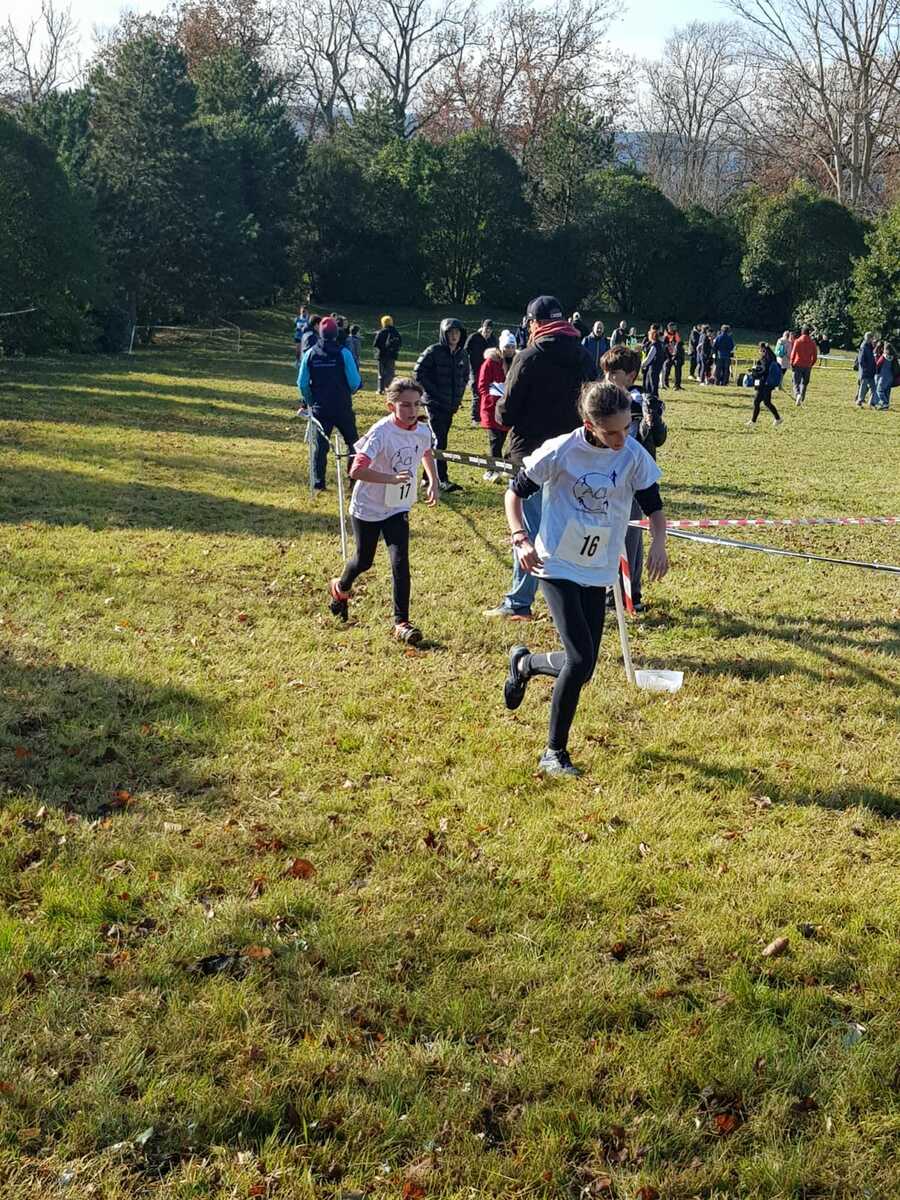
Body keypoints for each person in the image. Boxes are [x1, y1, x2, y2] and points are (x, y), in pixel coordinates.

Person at [501, 380, 670, 778]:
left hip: (598, 567)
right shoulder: (561, 450)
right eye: (611, 431)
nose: (621, 438)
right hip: (555, 564)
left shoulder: (633, 454)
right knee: (578, 660)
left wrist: (659, 544)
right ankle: (553, 752)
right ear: (589, 424)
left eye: (626, 428)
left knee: (584, 667)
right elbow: (514, 494)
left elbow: (655, 508)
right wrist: (520, 538)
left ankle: (525, 664)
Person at [483, 295, 598, 621]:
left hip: (531, 453)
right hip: (575, 453)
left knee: (530, 529)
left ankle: (519, 601)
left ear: (535, 324)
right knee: (568, 527)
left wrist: (501, 407)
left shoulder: (528, 357)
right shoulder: (583, 355)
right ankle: (574, 595)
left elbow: (506, 412)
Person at [328, 378, 439, 644]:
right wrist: (390, 479)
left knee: (400, 562)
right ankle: (340, 587)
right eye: (405, 405)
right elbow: (356, 470)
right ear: (391, 406)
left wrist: (433, 480)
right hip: (368, 507)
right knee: (363, 561)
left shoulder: (423, 430)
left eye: (416, 404)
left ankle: (401, 622)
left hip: (397, 507)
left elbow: (426, 451)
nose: (412, 410)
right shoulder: (381, 432)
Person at [603, 345, 667, 613]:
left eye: (613, 373)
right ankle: (610, 590)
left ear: (630, 376)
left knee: (630, 536)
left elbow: (657, 439)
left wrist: (652, 420)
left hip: (634, 478)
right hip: (606, 475)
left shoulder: (641, 401)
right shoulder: (602, 400)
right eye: (605, 372)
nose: (607, 378)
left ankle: (629, 593)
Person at [298, 316, 362, 491]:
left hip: (321, 408)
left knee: (320, 446)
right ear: (336, 333)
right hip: (342, 406)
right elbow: (355, 382)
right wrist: (349, 391)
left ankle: (318, 483)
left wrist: (310, 400)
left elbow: (302, 383)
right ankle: (354, 479)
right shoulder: (344, 353)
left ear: (320, 333)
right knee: (353, 443)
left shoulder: (310, 354)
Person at [414, 318, 468, 493]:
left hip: (450, 405)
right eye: (450, 333)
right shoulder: (433, 351)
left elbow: (465, 376)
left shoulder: (462, 354)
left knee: (438, 440)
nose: (454, 336)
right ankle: (441, 479)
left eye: (457, 333)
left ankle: (426, 477)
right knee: (440, 440)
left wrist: (457, 397)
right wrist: (434, 393)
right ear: (444, 334)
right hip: (434, 404)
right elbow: (418, 373)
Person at [478, 329, 516, 480]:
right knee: (495, 441)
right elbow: (482, 385)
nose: (509, 350)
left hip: (508, 408)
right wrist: (491, 398)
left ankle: (505, 466)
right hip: (491, 408)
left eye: (512, 347)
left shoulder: (516, 362)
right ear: (501, 347)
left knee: (505, 439)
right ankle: (493, 470)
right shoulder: (490, 362)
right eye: (507, 347)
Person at [465, 319, 498, 424]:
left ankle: (486, 415)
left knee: (488, 392)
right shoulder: (474, 337)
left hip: (488, 370)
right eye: (486, 328)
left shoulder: (494, 340)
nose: (487, 331)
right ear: (482, 327)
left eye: (489, 329)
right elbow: (465, 351)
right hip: (475, 368)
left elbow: (497, 354)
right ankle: (475, 417)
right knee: (477, 392)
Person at [746, 342, 784, 429]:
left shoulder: (764, 359)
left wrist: (754, 372)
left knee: (756, 401)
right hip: (769, 384)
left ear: (763, 350)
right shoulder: (772, 357)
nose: (759, 351)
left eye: (759, 349)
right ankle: (778, 418)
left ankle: (753, 421)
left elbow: (763, 371)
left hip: (764, 383)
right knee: (767, 402)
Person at [789, 325, 818, 405]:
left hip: (797, 364)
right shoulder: (812, 343)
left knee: (796, 382)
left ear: (802, 332)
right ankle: (802, 398)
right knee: (804, 383)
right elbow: (815, 356)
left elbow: (793, 353)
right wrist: (811, 364)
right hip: (807, 365)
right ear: (809, 333)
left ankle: (797, 394)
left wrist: (791, 363)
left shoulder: (797, 341)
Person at [373, 315, 402, 394]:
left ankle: (380, 389)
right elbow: (400, 343)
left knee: (381, 373)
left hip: (381, 355)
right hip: (391, 355)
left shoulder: (381, 332)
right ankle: (389, 388)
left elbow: (375, 344)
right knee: (390, 373)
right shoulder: (395, 332)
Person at [641, 325, 665, 397]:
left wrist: (641, 365)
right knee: (653, 385)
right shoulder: (660, 344)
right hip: (657, 367)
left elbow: (649, 359)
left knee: (651, 386)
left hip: (653, 368)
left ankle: (653, 399)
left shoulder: (654, 345)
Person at [855, 331, 876, 408]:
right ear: (869, 338)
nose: (873, 339)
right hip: (865, 371)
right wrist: (865, 369)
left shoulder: (870, 346)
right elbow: (861, 360)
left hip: (871, 371)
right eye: (872, 338)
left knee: (873, 388)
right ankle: (859, 401)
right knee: (863, 387)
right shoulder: (863, 346)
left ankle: (871, 403)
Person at [874, 341, 897, 410]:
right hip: (891, 377)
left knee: (879, 390)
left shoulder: (884, 356)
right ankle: (886, 405)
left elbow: (877, 364)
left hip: (883, 376)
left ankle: (885, 403)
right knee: (887, 391)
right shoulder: (894, 357)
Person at [662, 322, 684, 390]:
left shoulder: (676, 334)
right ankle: (665, 383)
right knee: (667, 370)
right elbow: (664, 346)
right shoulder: (665, 335)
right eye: (673, 327)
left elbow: (679, 343)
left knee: (678, 370)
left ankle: (677, 385)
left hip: (676, 355)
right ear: (669, 328)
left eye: (675, 327)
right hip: (668, 355)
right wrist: (668, 356)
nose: (674, 328)